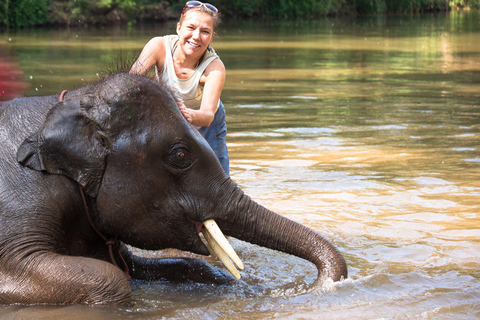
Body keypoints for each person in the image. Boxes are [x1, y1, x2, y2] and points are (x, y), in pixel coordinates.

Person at [129, 1, 229, 175]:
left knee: (218, 179)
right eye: (191, 27)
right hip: (170, 116)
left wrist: (188, 114)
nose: (196, 36)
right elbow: (129, 84)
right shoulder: (158, 47)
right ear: (178, 28)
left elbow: (207, 116)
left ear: (212, 37)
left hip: (207, 123)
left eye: (205, 31)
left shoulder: (214, 68)